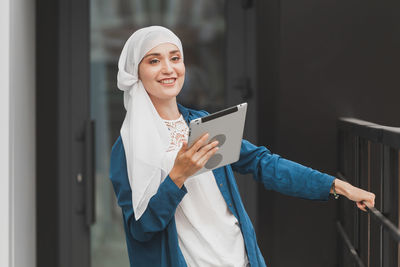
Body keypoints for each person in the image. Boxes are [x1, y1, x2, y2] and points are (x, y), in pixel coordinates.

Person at [109, 26, 375, 267]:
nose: (169, 68)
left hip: (242, 259)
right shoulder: (128, 148)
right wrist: (178, 174)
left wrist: (337, 186)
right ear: (136, 73)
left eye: (175, 58)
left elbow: (263, 163)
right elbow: (141, 229)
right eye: (154, 61)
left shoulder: (203, 126)